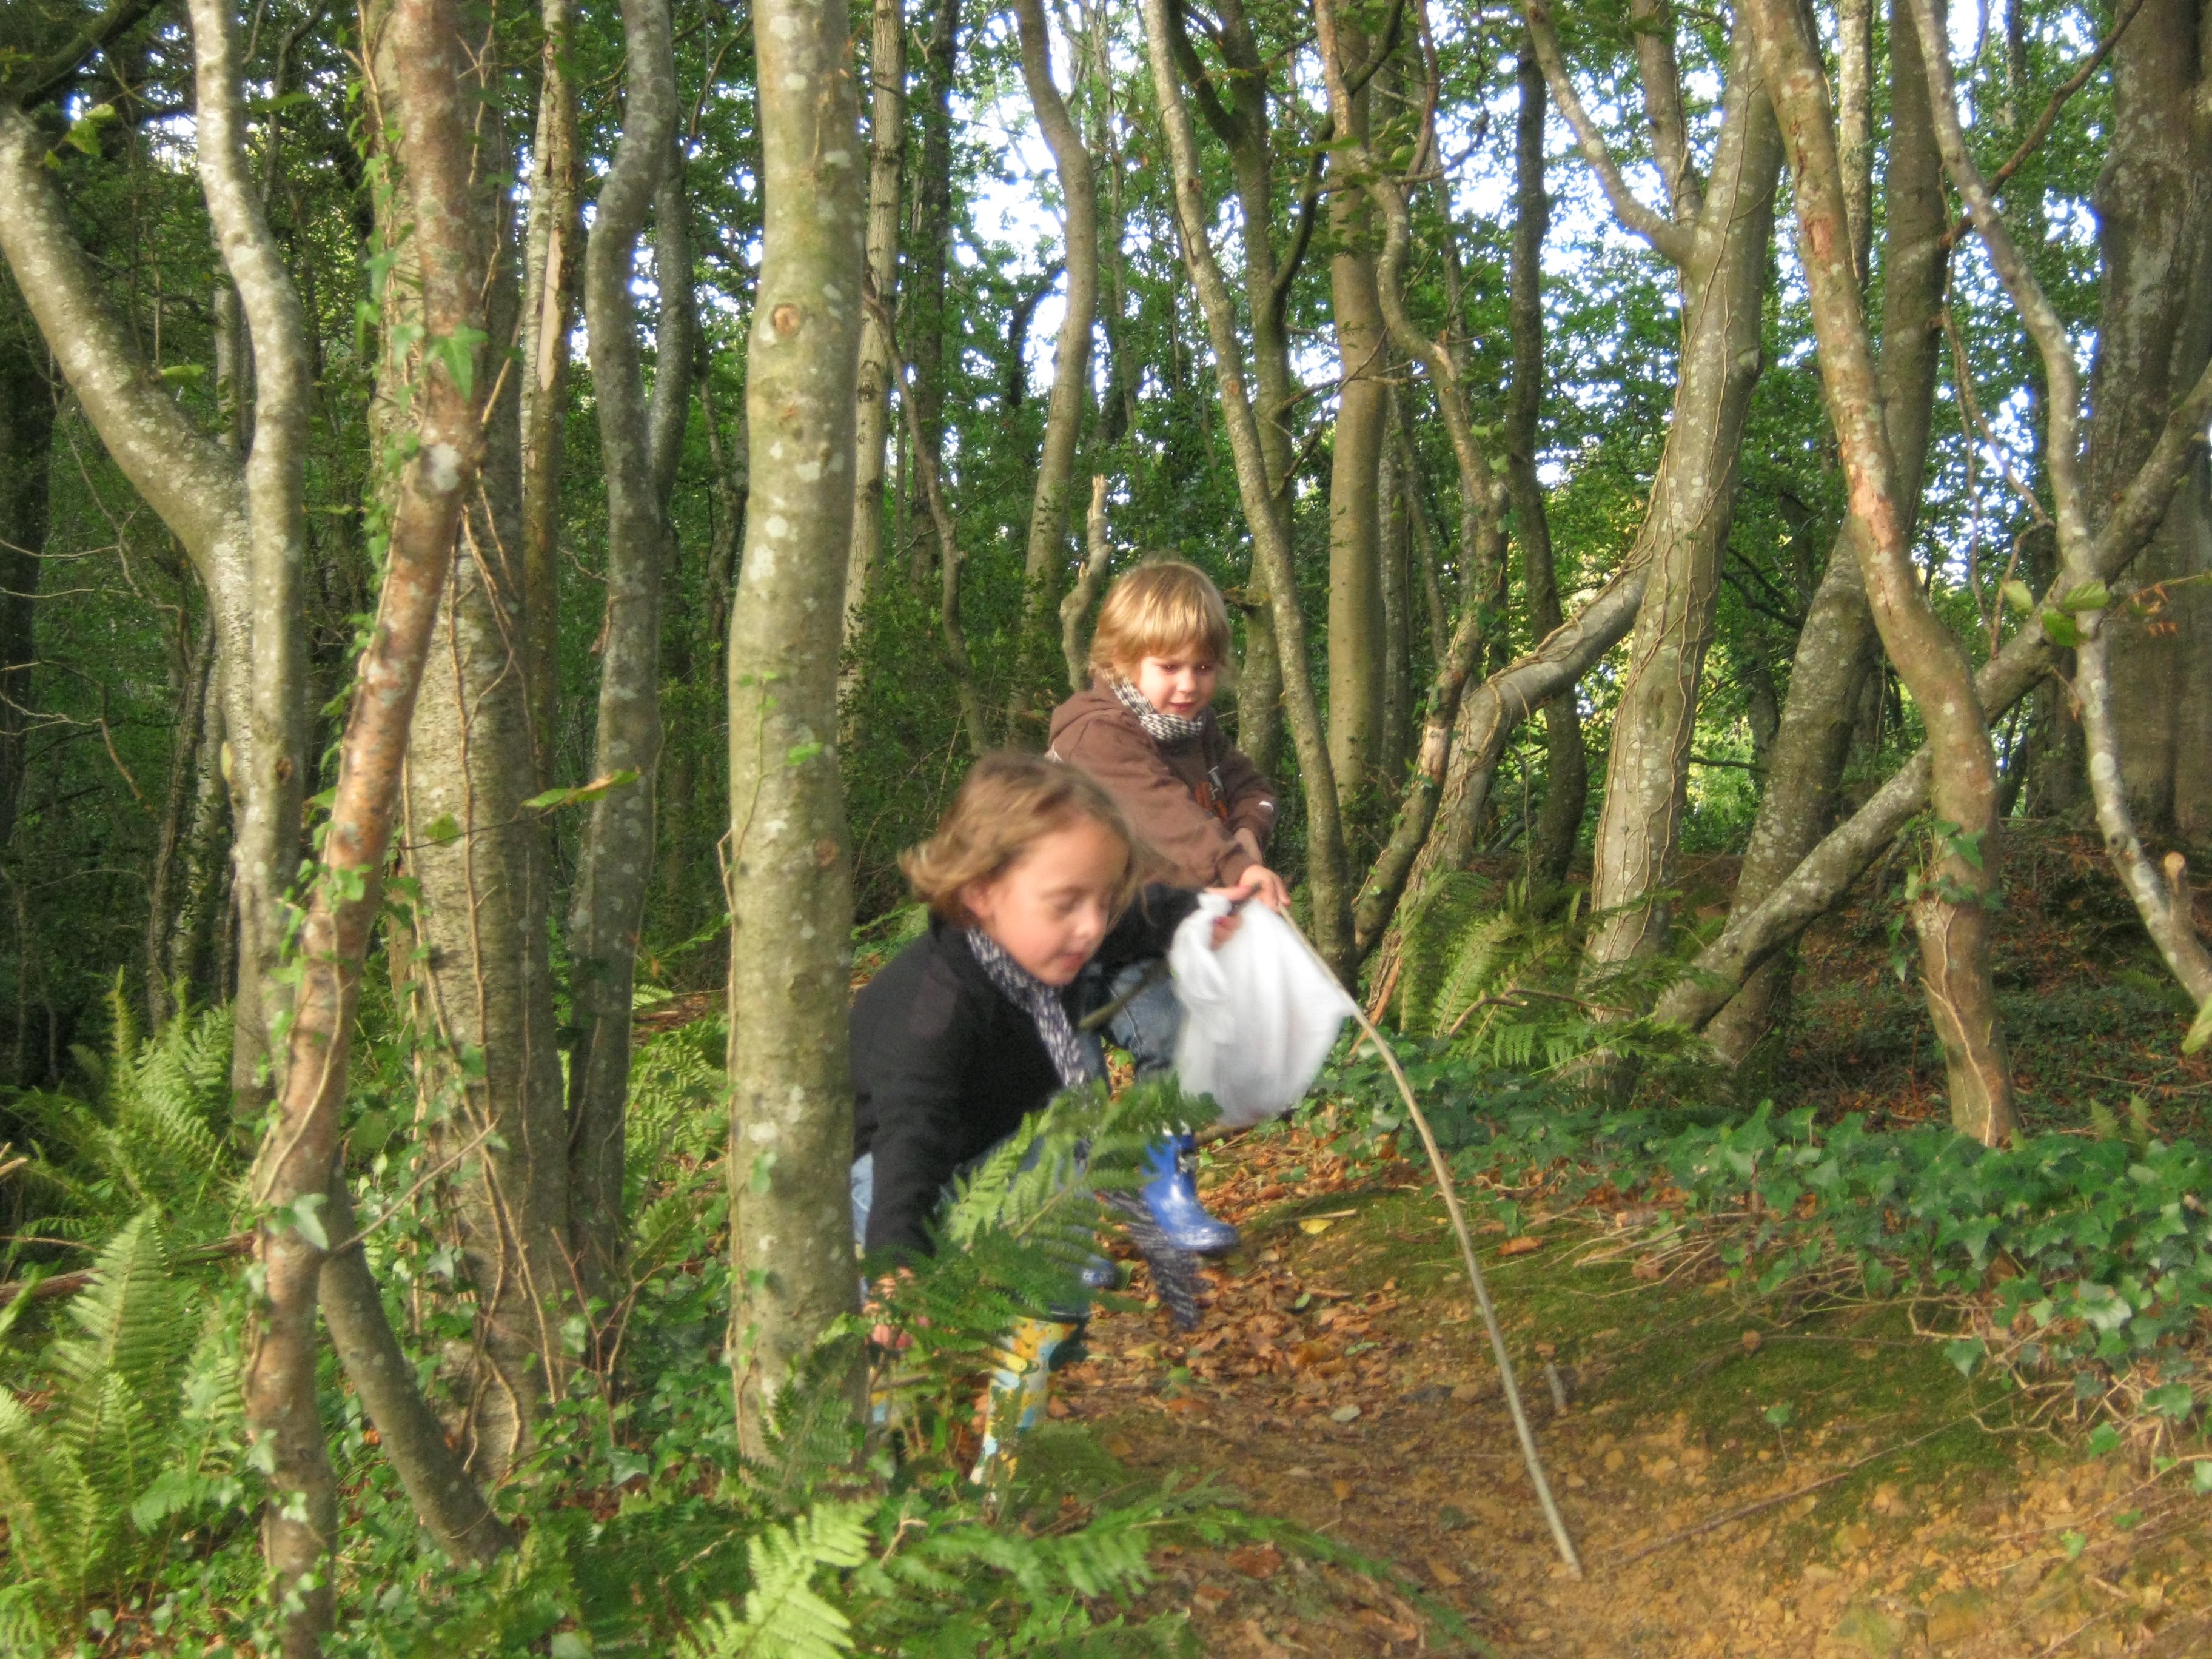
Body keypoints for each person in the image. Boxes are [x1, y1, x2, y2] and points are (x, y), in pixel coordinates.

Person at [1047, 559, 1287, 1254]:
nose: (1189, 685)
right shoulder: (1094, 732)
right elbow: (1166, 819)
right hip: (1053, 948)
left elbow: (1252, 787)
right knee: (1071, 1087)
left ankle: (1164, 1190)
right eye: (1170, 667)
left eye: (1204, 668)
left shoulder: (1196, 732)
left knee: (1181, 1044)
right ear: (1121, 661)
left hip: (1132, 936)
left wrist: (1248, 837)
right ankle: (1062, 1235)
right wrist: (1235, 867)